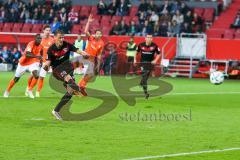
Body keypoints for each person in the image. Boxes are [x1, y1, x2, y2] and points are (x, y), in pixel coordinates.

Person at [43, 29, 89, 120]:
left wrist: (84, 53)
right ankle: (79, 88)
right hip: (58, 70)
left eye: (63, 37)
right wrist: (45, 67)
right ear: (55, 38)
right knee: (70, 81)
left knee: (70, 92)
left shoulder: (67, 45)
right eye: (60, 37)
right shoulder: (51, 49)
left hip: (68, 68)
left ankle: (56, 110)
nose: (62, 39)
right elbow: (48, 62)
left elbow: (77, 50)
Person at [3, 34, 43, 98]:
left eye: (41, 39)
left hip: (32, 63)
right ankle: (7, 91)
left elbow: (41, 53)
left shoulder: (41, 46)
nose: (40, 40)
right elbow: (27, 54)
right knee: (16, 79)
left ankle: (30, 90)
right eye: (38, 38)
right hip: (23, 63)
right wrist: (37, 56)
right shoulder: (31, 44)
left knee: (36, 75)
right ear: (35, 39)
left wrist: (41, 61)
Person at [78, 14, 105, 94]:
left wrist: (98, 64)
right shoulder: (91, 38)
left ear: (101, 35)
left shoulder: (101, 43)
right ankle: (80, 86)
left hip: (92, 60)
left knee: (90, 75)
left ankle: (80, 87)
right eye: (97, 33)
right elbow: (85, 31)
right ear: (95, 34)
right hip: (86, 58)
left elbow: (99, 54)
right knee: (88, 74)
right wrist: (88, 22)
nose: (98, 35)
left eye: (100, 34)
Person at [26, 25, 54, 98]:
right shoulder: (39, 39)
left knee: (41, 77)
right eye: (47, 30)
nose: (48, 32)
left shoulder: (52, 40)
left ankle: (37, 92)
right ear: (43, 31)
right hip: (37, 60)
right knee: (33, 75)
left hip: (46, 62)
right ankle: (28, 87)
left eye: (49, 30)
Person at [134, 34, 161, 99]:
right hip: (143, 63)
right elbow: (136, 52)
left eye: (150, 38)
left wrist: (155, 60)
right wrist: (134, 59)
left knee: (145, 78)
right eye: (148, 37)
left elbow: (159, 54)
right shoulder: (141, 45)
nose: (149, 39)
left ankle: (142, 84)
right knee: (145, 76)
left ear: (152, 39)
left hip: (150, 64)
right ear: (145, 38)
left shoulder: (155, 46)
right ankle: (146, 93)